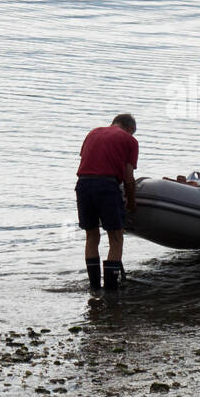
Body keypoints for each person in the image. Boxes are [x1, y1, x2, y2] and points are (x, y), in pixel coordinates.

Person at [75, 113, 138, 292]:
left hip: (83, 185)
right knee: (116, 238)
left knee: (92, 236)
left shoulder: (92, 133)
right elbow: (128, 176)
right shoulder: (129, 140)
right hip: (107, 186)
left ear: (113, 123)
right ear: (131, 129)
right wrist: (131, 202)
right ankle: (111, 291)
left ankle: (94, 287)